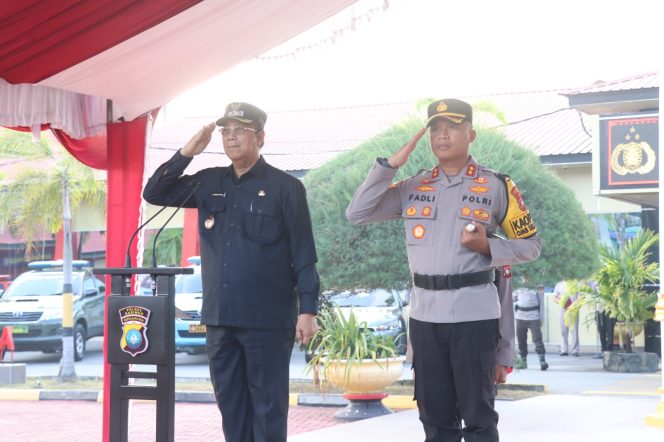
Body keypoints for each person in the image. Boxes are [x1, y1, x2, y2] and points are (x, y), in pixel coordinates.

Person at [346, 98, 541, 441]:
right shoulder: (412, 186)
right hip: (425, 317)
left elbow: (531, 246)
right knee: (434, 418)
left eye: (452, 126)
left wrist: (488, 247)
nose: (442, 134)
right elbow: (357, 213)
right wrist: (389, 166)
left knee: (479, 416)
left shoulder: (497, 186)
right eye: (435, 127)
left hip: (474, 315)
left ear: (472, 134)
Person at [143, 102, 320, 442]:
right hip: (220, 320)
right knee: (232, 411)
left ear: (261, 137)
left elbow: (304, 255)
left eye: (240, 130)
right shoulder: (209, 181)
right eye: (226, 131)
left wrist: (308, 311)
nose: (231, 137)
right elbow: (155, 193)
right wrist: (186, 153)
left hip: (267, 322)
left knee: (268, 413)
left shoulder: (286, 188)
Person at [513, 284, 548, 370]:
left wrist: (541, 318)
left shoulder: (538, 287)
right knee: (521, 340)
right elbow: (513, 298)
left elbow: (542, 303)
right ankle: (523, 362)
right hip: (520, 317)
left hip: (534, 317)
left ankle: (542, 361)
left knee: (537, 339)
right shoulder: (518, 287)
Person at [553, 280, 580, 356]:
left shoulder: (576, 283)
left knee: (574, 330)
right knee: (563, 330)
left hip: (573, 309)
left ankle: (575, 350)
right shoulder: (559, 284)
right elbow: (554, 297)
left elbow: (582, 295)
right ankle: (564, 350)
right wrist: (559, 301)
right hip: (562, 309)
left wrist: (578, 303)